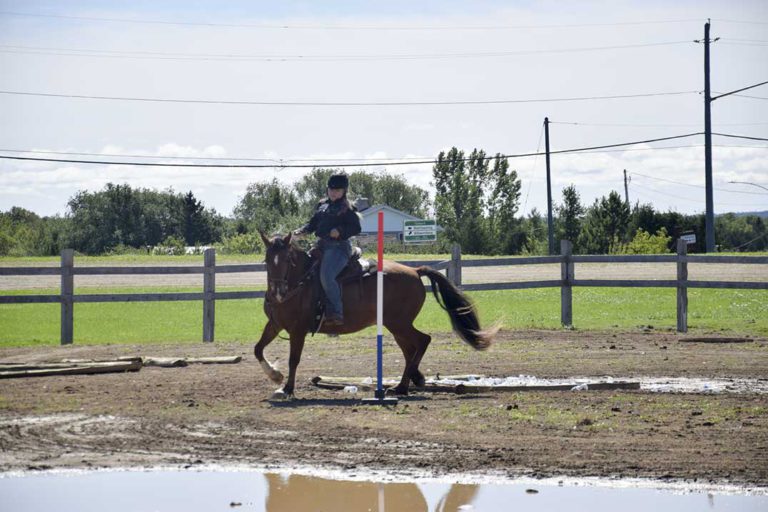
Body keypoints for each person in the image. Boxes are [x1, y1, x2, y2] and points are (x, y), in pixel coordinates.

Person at [293, 174, 361, 326]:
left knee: (327, 276)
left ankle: (337, 312)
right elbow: (312, 225)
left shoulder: (348, 209)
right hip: (321, 246)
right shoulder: (322, 206)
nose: (333, 192)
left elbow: (356, 227)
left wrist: (340, 230)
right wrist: (301, 231)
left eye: (337, 190)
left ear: (344, 191)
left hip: (339, 248)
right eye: (331, 189)